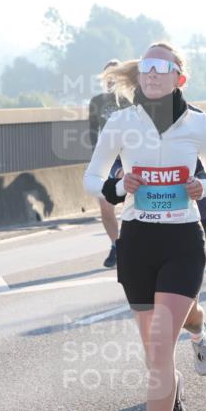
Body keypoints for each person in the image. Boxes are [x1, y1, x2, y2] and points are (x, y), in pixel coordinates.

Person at [84, 42, 206, 411]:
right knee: (155, 355)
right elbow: (93, 175)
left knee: (162, 343)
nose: (150, 74)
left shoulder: (198, 124)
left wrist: (205, 187)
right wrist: (116, 185)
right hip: (138, 243)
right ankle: (174, 391)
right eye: (145, 68)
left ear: (177, 77)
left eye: (160, 68)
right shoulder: (121, 123)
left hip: (183, 240)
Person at [88, 59, 132, 267]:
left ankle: (134, 244)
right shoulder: (97, 102)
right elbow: (91, 133)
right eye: (107, 77)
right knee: (106, 207)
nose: (110, 81)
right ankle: (117, 246)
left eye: (115, 76)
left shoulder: (132, 101)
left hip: (129, 158)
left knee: (130, 205)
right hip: (107, 159)